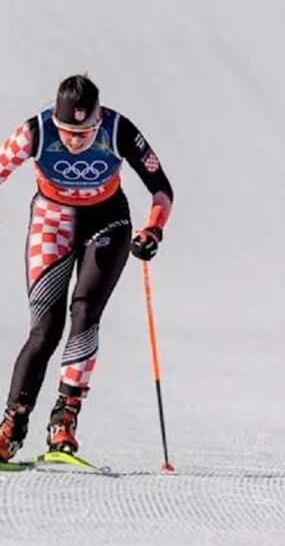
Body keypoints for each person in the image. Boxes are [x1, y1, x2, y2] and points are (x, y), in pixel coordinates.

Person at [0, 74, 173, 461]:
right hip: (52, 221)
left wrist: (154, 230)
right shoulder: (35, 131)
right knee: (45, 330)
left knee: (85, 313)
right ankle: (12, 426)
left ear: (98, 120)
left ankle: (64, 420)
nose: (76, 142)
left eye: (86, 132)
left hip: (107, 220)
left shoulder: (118, 129)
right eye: (68, 132)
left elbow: (161, 188)